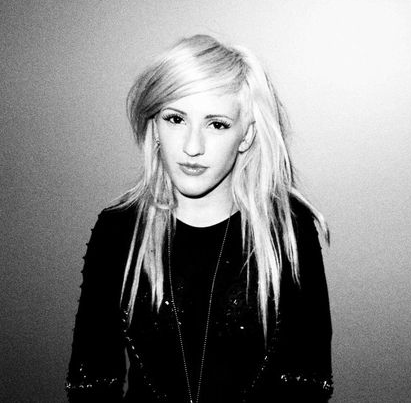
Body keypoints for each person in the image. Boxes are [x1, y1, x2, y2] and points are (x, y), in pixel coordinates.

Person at [65, 35, 333, 402]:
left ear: (246, 135)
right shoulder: (119, 230)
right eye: (175, 119)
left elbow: (307, 383)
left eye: (217, 124)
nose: (192, 147)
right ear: (155, 127)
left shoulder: (287, 228)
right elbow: (92, 383)